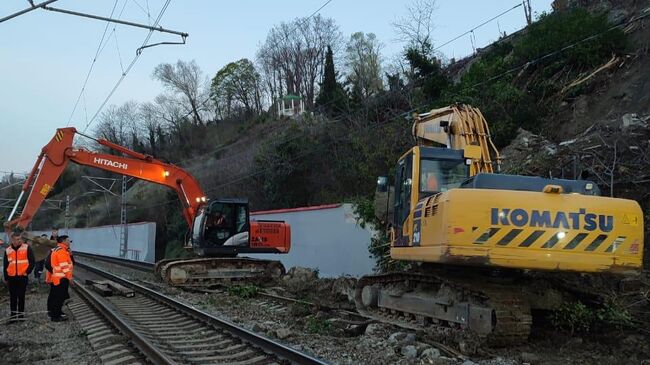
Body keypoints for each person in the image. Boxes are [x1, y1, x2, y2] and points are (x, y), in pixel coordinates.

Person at [3, 231, 35, 322]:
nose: (20, 240)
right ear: (12, 240)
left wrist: (27, 272)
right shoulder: (8, 250)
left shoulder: (27, 248)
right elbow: (6, 265)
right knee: (13, 297)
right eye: (17, 239)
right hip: (12, 278)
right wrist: (6, 277)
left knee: (21, 296)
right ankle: (13, 316)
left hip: (22, 277)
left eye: (20, 238)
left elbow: (32, 262)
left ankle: (21, 316)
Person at [46, 235, 73, 322]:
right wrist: (70, 278)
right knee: (59, 298)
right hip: (61, 278)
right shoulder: (61, 251)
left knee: (55, 297)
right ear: (63, 241)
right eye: (68, 240)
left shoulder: (58, 249)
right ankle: (56, 316)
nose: (70, 242)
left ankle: (54, 312)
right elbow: (64, 266)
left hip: (57, 277)